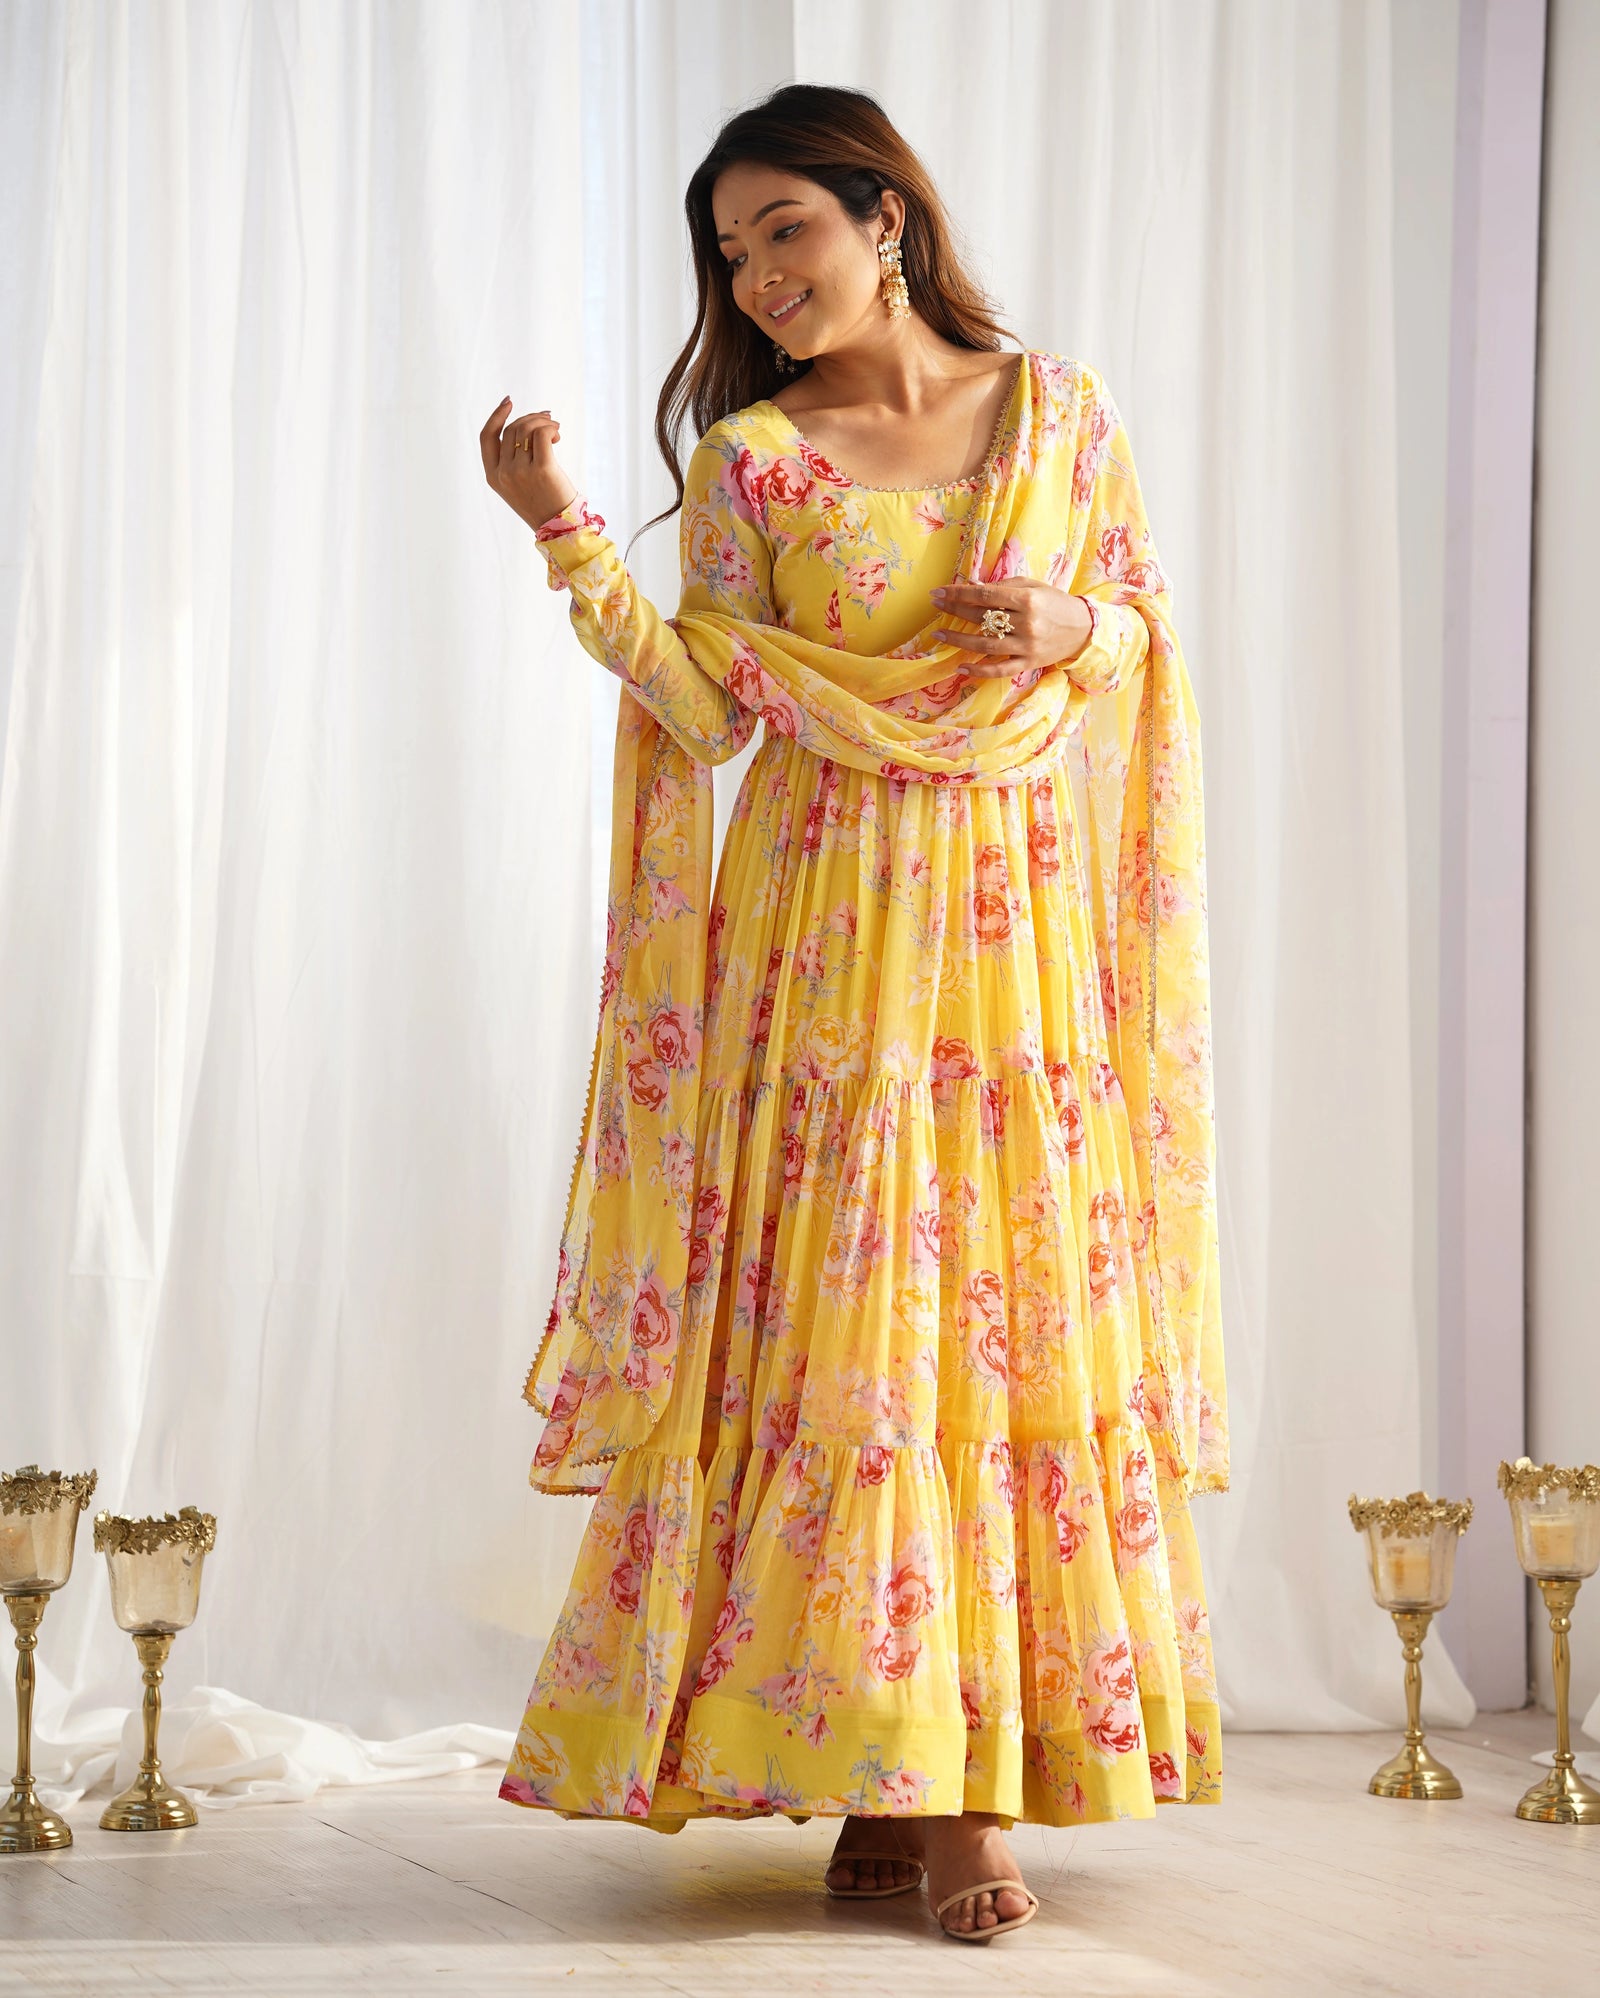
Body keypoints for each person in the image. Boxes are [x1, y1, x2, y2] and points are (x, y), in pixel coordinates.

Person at [479, 81, 1228, 1944]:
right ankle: (882, 1770)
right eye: (732, 251)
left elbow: (1141, 627)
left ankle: (960, 1792)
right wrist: (567, 531)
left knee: (991, 1326)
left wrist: (1076, 630)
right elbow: (706, 704)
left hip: (1014, 951)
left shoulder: (1061, 412)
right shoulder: (755, 459)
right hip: (821, 952)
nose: (757, 274)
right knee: (849, 1340)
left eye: (785, 229)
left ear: (886, 216)